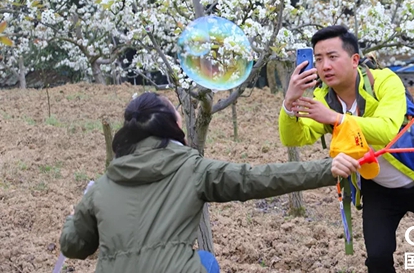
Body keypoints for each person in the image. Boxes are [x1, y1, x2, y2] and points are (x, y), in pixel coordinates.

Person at [278, 25, 414, 273]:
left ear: (354, 60)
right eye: (318, 59)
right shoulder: (323, 97)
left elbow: (387, 131)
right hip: (379, 188)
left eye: (332, 57)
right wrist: (289, 103)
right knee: (377, 259)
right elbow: (295, 138)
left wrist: (337, 119)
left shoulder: (385, 81)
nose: (325, 66)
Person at [59, 92, 357, 273]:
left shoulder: (101, 187)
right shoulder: (191, 169)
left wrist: (74, 221)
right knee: (206, 262)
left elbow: (73, 246)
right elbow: (254, 179)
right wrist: (326, 168)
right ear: (172, 127)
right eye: (177, 115)